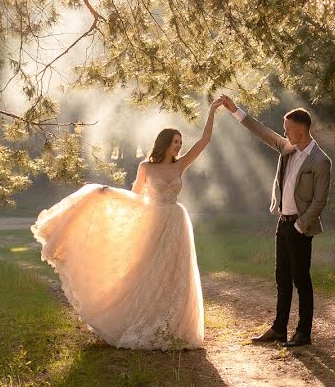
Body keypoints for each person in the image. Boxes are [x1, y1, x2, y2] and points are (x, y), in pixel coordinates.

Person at [31, 97, 224, 349]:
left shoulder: (181, 165)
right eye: (175, 142)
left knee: (175, 274)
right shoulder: (146, 166)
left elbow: (204, 141)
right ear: (164, 143)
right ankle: (142, 319)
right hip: (154, 222)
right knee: (147, 271)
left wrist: (212, 110)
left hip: (176, 223)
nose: (178, 147)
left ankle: (173, 325)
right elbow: (135, 196)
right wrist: (108, 193)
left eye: (180, 143)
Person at [220, 94, 331, 347]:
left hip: (300, 228)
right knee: (282, 278)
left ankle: (303, 333)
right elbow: (261, 131)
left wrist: (300, 227)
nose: (285, 133)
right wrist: (235, 110)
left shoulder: (321, 161)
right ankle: (279, 329)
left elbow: (319, 200)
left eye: (288, 129)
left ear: (302, 129)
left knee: (301, 280)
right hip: (282, 223)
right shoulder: (287, 148)